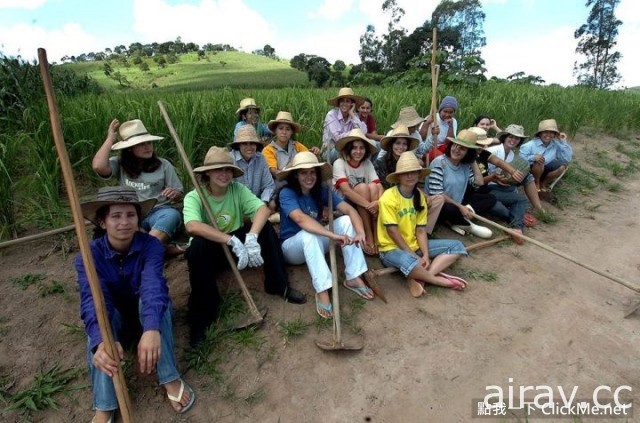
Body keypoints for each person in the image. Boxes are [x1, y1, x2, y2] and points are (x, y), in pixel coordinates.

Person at [77, 187, 195, 423]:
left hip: (146, 312)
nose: (124, 222)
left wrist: (151, 329)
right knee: (99, 323)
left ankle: (169, 376)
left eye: (130, 215)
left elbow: (153, 286)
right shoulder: (88, 256)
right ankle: (104, 406)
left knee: (154, 304)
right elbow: (93, 299)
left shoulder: (150, 246)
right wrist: (101, 340)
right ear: (103, 222)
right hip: (117, 316)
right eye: (116, 216)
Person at [183, 147, 306, 346]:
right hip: (212, 250)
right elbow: (192, 226)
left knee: (265, 228)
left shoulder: (237, 190)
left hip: (239, 245)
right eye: (218, 170)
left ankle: (279, 285)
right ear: (207, 172)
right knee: (197, 247)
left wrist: (251, 237)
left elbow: (262, 210)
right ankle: (203, 317)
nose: (224, 175)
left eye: (228, 170)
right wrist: (228, 240)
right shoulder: (194, 196)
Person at [277, 152, 374, 319]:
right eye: (303, 173)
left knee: (345, 221)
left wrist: (360, 232)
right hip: (292, 247)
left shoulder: (322, 191)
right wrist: (332, 235)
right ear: (295, 175)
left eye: (313, 172)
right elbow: (300, 219)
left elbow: (349, 210)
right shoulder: (287, 193)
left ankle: (354, 276)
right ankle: (322, 289)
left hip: (315, 240)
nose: (309, 177)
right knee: (308, 234)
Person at [378, 152, 468, 297]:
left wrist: (425, 255)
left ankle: (418, 278)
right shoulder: (388, 197)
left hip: (414, 245)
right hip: (390, 249)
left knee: (457, 246)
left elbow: (421, 230)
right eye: (406, 173)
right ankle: (439, 281)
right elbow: (392, 232)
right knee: (409, 261)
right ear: (399, 176)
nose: (410, 176)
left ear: (419, 174)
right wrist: (413, 255)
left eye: (414, 172)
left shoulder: (419, 197)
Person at [92, 119, 185, 256]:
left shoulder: (163, 165)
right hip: (131, 212)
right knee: (116, 224)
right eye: (141, 144)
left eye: (149, 143)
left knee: (172, 215)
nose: (147, 147)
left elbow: (179, 193)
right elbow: (98, 166)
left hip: (159, 211)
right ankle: (159, 249)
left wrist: (174, 193)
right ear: (130, 148)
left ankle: (143, 251)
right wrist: (110, 140)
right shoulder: (120, 164)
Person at [376, 124, 444, 235]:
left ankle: (423, 232)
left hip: (410, 195)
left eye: (404, 144)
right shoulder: (381, 163)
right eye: (398, 143)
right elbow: (387, 189)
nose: (401, 147)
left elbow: (413, 185)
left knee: (438, 199)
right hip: (391, 199)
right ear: (391, 145)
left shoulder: (412, 162)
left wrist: (423, 196)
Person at [427, 129, 496, 238]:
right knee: (449, 208)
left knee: (491, 198)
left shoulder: (465, 165)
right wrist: (461, 207)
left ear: (468, 153)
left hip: (458, 201)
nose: (456, 150)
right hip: (439, 204)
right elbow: (437, 194)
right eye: (455, 145)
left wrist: (473, 162)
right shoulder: (439, 163)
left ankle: (459, 219)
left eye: (462, 148)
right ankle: (465, 223)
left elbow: (478, 183)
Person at [484, 125, 542, 244]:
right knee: (510, 205)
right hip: (487, 186)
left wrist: (508, 179)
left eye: (517, 138)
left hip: (502, 186)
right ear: (505, 137)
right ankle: (518, 224)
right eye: (511, 137)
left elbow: (510, 175)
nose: (513, 140)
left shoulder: (513, 155)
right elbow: (482, 175)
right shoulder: (492, 151)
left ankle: (534, 210)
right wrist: (496, 179)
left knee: (526, 177)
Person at [332, 128, 384, 256]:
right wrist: (369, 205)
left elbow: (379, 186)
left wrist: (378, 202)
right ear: (349, 149)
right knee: (362, 187)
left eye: (362, 148)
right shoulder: (340, 163)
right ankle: (369, 234)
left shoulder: (367, 163)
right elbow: (346, 190)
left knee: (373, 187)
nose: (358, 151)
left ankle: (377, 231)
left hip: (366, 202)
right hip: (345, 202)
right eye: (354, 148)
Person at [262, 111, 320, 179]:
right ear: (275, 131)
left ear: (291, 132)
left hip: (300, 180)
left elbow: (309, 160)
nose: (284, 132)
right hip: (281, 183)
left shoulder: (297, 145)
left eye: (288, 129)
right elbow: (276, 173)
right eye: (280, 128)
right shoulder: (268, 150)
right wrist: (292, 164)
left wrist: (315, 154)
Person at [519, 119, 573, 191]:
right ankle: (536, 183)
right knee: (540, 160)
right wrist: (533, 158)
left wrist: (563, 141)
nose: (548, 135)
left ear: (554, 135)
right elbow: (520, 160)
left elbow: (566, 159)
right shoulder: (530, 145)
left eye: (551, 133)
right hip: (530, 171)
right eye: (545, 132)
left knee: (562, 166)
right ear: (540, 134)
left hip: (545, 169)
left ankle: (543, 183)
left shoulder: (555, 145)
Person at [322, 87, 368, 163]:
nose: (344, 104)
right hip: (331, 150)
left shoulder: (354, 116)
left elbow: (364, 132)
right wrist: (355, 135)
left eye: (347, 101)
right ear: (339, 103)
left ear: (352, 104)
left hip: (350, 148)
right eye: (342, 101)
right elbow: (337, 138)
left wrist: (352, 115)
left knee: (374, 145)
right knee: (342, 152)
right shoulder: (332, 115)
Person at [230, 125, 274, 204]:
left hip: (257, 205)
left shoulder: (261, 158)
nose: (249, 147)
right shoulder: (229, 160)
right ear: (238, 145)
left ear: (256, 145)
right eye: (244, 144)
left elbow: (269, 185)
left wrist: (263, 203)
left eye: (252, 143)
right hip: (235, 206)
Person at [420, 95, 459, 160]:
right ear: (440, 111)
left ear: (454, 113)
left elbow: (449, 142)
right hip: (428, 149)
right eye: (445, 111)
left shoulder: (453, 121)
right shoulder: (432, 117)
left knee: (453, 153)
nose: (447, 115)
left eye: (450, 112)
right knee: (442, 158)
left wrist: (451, 126)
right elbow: (420, 138)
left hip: (443, 148)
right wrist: (426, 123)